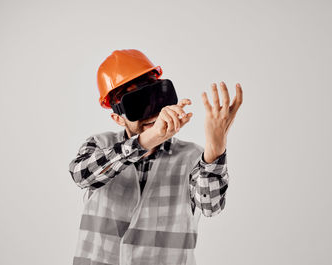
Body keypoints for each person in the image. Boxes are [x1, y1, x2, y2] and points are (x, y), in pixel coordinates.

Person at [68, 49, 243, 265]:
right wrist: (148, 139)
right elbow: (81, 174)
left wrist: (216, 148)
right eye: (137, 105)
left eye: (154, 98)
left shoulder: (192, 157)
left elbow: (211, 205)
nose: (151, 112)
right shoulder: (100, 146)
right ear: (117, 118)